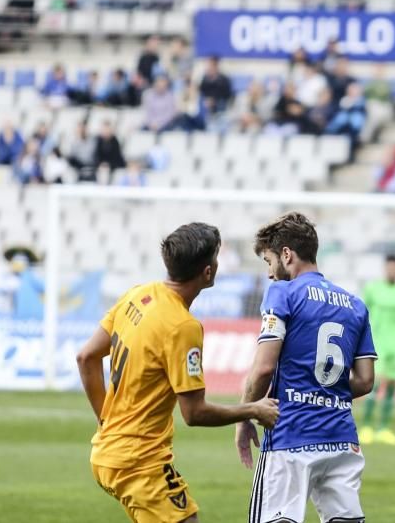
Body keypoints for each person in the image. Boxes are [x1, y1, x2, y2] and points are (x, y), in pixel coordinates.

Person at [76, 222, 280, 522]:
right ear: (208, 272)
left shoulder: (138, 294)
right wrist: (252, 409)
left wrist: (106, 420)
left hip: (108, 451)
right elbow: (194, 413)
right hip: (139, 462)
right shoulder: (182, 328)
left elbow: (86, 357)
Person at [237, 212, 375, 523]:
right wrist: (324, 391)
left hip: (291, 436)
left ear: (287, 255)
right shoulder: (355, 305)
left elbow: (262, 369)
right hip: (342, 439)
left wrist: (246, 415)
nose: (270, 273)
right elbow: (365, 381)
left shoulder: (283, 293)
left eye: (269, 261)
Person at [360, 254, 395, 445]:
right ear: (385, 269)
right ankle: (366, 427)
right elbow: (362, 316)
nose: (391, 271)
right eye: (389, 268)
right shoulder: (373, 289)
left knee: (392, 385)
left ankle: (383, 428)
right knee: (373, 385)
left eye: (394, 268)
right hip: (376, 342)